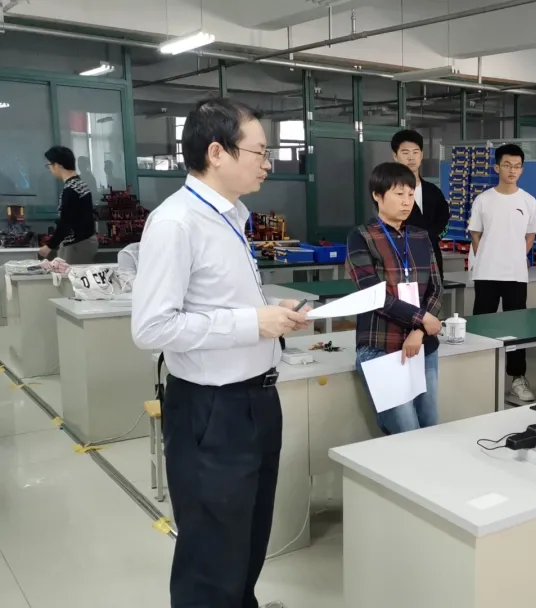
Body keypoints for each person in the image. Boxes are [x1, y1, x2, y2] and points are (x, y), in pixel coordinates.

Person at [131, 97, 310, 608]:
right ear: (216, 152)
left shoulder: (232, 216)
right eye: (259, 151)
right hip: (212, 411)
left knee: (247, 540)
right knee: (212, 553)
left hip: (257, 400)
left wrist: (269, 311)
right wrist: (252, 322)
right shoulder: (176, 223)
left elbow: (218, 300)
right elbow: (151, 327)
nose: (267, 163)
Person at [348, 162, 444, 434]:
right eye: (399, 194)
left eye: (410, 195)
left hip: (423, 346)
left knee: (429, 426)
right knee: (405, 430)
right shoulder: (362, 237)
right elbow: (373, 294)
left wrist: (419, 330)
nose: (406, 201)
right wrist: (422, 319)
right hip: (382, 344)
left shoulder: (421, 236)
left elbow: (436, 287)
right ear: (377, 195)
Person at [469, 143, 536, 402]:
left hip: (516, 275)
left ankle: (518, 378)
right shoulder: (483, 199)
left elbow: (530, 235)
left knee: (516, 327)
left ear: (522, 169)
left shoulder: (528, 201)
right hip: (486, 273)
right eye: (507, 165)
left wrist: (515, 256)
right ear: (496, 167)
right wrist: (488, 256)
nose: (512, 170)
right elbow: (475, 233)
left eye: (517, 166)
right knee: (482, 323)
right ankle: (478, 373)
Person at [391, 129, 450, 277]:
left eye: (415, 152)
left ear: (422, 155)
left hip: (431, 259)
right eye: (405, 152)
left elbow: (444, 221)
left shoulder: (433, 191)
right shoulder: (389, 191)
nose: (411, 157)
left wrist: (432, 238)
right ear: (395, 156)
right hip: (400, 258)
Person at [42, 146, 99, 264]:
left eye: (49, 165)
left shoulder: (70, 190)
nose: (50, 169)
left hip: (76, 245)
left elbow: (65, 223)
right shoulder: (80, 184)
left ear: (58, 165)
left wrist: (49, 246)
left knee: (68, 275)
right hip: (85, 241)